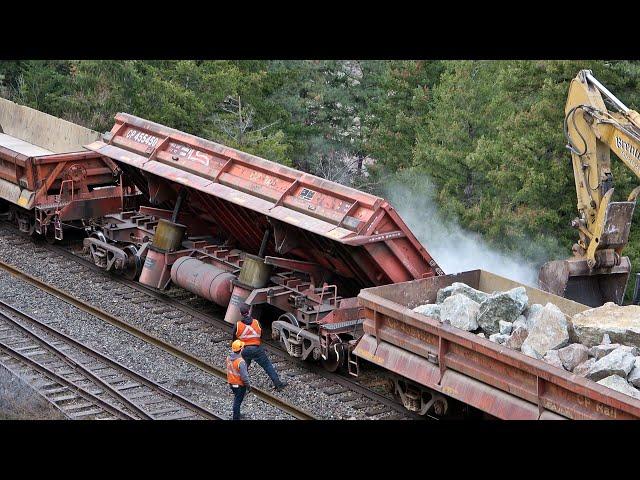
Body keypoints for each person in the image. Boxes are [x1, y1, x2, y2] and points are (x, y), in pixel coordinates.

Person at [235, 303, 288, 391]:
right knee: (267, 366)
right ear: (248, 312)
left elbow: (234, 338)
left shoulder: (238, 325)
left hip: (244, 350)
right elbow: (261, 334)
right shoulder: (256, 322)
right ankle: (278, 385)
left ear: (240, 313)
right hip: (256, 349)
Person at [226, 340, 251, 420]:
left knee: (237, 398)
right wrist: (248, 386)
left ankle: (237, 414)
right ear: (241, 349)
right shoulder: (241, 362)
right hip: (239, 385)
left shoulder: (228, 358)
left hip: (231, 383)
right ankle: (236, 418)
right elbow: (244, 377)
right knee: (237, 401)